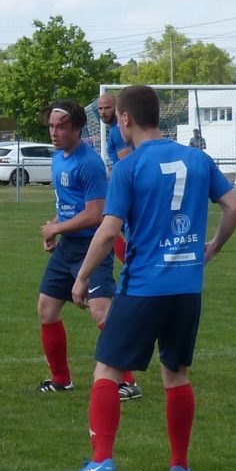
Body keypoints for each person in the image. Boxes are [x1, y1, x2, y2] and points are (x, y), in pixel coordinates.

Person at [58, 85, 236, 471]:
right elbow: (235, 207)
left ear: (125, 118)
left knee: (107, 368)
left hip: (143, 286)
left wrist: (82, 277)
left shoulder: (129, 166)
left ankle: (101, 460)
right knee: (176, 374)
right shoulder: (198, 158)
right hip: (187, 287)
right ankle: (180, 467)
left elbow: (109, 230)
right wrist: (213, 246)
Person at [35, 99, 138, 395]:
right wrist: (56, 226)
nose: (54, 132)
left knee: (101, 312)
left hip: (92, 247)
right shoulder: (58, 158)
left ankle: (128, 381)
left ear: (77, 128)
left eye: (61, 127)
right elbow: (70, 205)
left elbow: (95, 213)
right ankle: (60, 379)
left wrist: (56, 228)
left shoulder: (89, 163)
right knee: (46, 309)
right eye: (51, 126)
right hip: (68, 247)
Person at [97, 93, 142, 400]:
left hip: (124, 189)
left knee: (113, 233)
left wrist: (117, 179)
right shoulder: (113, 130)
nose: (102, 112)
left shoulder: (116, 132)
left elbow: (127, 161)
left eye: (107, 108)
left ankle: (134, 266)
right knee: (116, 236)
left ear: (119, 111)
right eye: (100, 108)